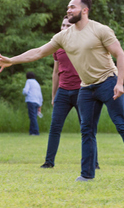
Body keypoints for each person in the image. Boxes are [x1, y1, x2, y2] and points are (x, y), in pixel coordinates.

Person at [0, 0, 124, 183]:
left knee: (121, 124)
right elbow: (39, 51)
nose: (68, 10)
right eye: (68, 7)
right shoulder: (63, 36)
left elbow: (120, 55)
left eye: (73, 7)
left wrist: (120, 83)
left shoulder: (100, 30)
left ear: (85, 10)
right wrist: (12, 60)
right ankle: (87, 175)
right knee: (87, 130)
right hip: (86, 88)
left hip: (108, 81)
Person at [41, 17, 100, 169]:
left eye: (68, 24)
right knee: (55, 127)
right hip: (63, 92)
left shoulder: (84, 44)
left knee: (87, 128)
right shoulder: (57, 47)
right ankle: (49, 162)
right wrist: (54, 95)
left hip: (82, 90)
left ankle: (94, 163)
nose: (65, 27)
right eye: (63, 24)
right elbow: (55, 73)